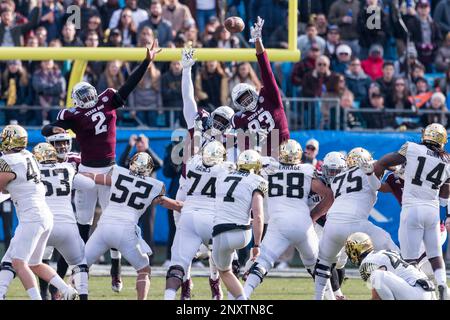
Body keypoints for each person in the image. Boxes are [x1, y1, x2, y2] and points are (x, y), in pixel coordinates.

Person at [41, 42, 162, 293]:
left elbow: (128, 86)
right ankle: (61, 282)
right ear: (77, 100)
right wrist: (56, 129)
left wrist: (146, 61)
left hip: (108, 169)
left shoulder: (105, 98)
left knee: (111, 221)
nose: (88, 100)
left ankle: (115, 270)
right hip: (88, 170)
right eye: (83, 98)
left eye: (89, 95)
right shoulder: (74, 113)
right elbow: (47, 129)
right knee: (81, 226)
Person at [84, 152, 182, 300]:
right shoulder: (154, 185)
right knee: (144, 270)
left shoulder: (117, 172)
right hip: (126, 231)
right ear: (149, 169)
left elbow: (93, 178)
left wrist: (76, 173)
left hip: (104, 227)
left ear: (131, 163)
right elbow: (172, 204)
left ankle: (68, 292)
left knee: (81, 267)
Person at [243, 140, 334, 299]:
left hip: (278, 223)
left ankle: (243, 296)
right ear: (299, 154)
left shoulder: (268, 167)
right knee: (317, 265)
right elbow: (329, 196)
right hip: (302, 223)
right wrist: (314, 216)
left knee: (263, 262)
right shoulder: (306, 170)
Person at [0, 125, 77, 300]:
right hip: (45, 216)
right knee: (34, 263)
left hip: (31, 218)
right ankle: (66, 291)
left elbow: (2, 186)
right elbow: (12, 185)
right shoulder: (29, 156)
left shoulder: (9, 161)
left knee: (19, 263)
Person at [374, 123, 450, 299]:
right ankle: (443, 286)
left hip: (412, 208)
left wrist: (375, 172)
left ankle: (415, 292)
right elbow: (445, 197)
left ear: (426, 136)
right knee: (435, 255)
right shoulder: (447, 160)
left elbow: (384, 162)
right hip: (432, 210)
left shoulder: (412, 148)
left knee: (409, 260)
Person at [314, 147, 399, 300]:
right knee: (392, 250)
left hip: (331, 224)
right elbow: (386, 161)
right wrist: (398, 167)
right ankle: (408, 285)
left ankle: (318, 297)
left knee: (324, 263)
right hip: (355, 224)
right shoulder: (369, 166)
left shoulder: (338, 177)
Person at [164, 141, 230, 300]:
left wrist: (179, 224)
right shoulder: (226, 169)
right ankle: (215, 284)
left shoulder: (192, 163)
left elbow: (180, 197)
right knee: (220, 257)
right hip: (212, 218)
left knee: (178, 263)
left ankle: (176, 293)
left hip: (188, 214)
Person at [32, 143, 93, 300]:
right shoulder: (68, 168)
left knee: (25, 261)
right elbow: (89, 185)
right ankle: (82, 296)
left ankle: (55, 291)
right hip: (67, 225)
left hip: (43, 226)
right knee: (80, 264)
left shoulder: (32, 171)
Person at [230, 17, 290, 156]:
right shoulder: (240, 119)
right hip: (262, 157)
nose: (246, 101)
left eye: (247, 96)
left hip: (285, 149)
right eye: (241, 100)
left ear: (254, 92)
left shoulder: (270, 97)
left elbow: (266, 71)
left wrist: (258, 41)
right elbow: (238, 142)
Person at [212, 149, 267, 300]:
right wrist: (256, 245)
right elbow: (258, 215)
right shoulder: (257, 181)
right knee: (230, 266)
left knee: (224, 271)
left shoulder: (222, 175)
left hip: (221, 231)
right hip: (243, 234)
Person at [345, 232, 435, 300]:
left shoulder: (367, 263)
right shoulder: (384, 252)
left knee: (377, 275)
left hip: (415, 293)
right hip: (427, 292)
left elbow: (377, 298)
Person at [119, 134, 163, 258]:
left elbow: (159, 164)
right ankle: (131, 255)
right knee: (131, 227)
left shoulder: (149, 158)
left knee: (148, 228)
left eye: (141, 142)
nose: (139, 144)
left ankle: (150, 256)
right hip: (134, 198)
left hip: (148, 198)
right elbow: (122, 163)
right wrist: (129, 145)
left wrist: (147, 148)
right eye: (138, 142)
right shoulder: (134, 158)